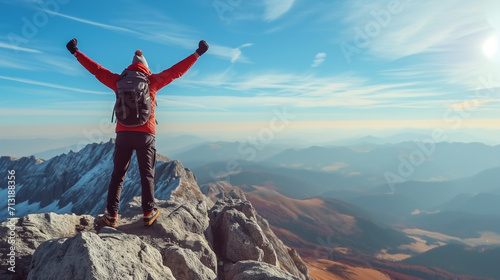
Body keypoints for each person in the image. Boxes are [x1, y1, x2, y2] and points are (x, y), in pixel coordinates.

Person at [66, 38, 208, 227]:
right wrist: (197, 54)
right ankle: (148, 213)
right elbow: (176, 71)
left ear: (131, 67)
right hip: (145, 135)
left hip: (123, 134)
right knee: (146, 174)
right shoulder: (152, 81)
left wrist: (76, 52)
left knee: (118, 175)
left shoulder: (118, 80)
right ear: (146, 67)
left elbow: (96, 70)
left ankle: (111, 215)